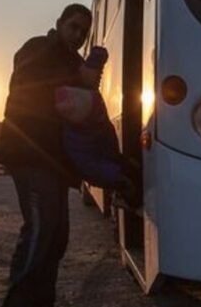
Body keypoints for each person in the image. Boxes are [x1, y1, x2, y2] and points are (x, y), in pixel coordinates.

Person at [0, 3, 94, 307]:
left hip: (52, 162)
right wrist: (77, 78)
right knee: (39, 233)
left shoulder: (72, 62)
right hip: (28, 155)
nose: (78, 35)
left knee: (56, 237)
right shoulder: (38, 48)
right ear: (59, 24)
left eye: (84, 31)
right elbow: (29, 80)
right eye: (74, 27)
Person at [54, 46, 139, 210]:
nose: (100, 76)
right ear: (84, 71)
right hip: (104, 166)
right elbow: (86, 160)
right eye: (97, 72)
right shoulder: (80, 102)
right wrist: (119, 177)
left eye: (101, 71)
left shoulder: (84, 98)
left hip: (107, 164)